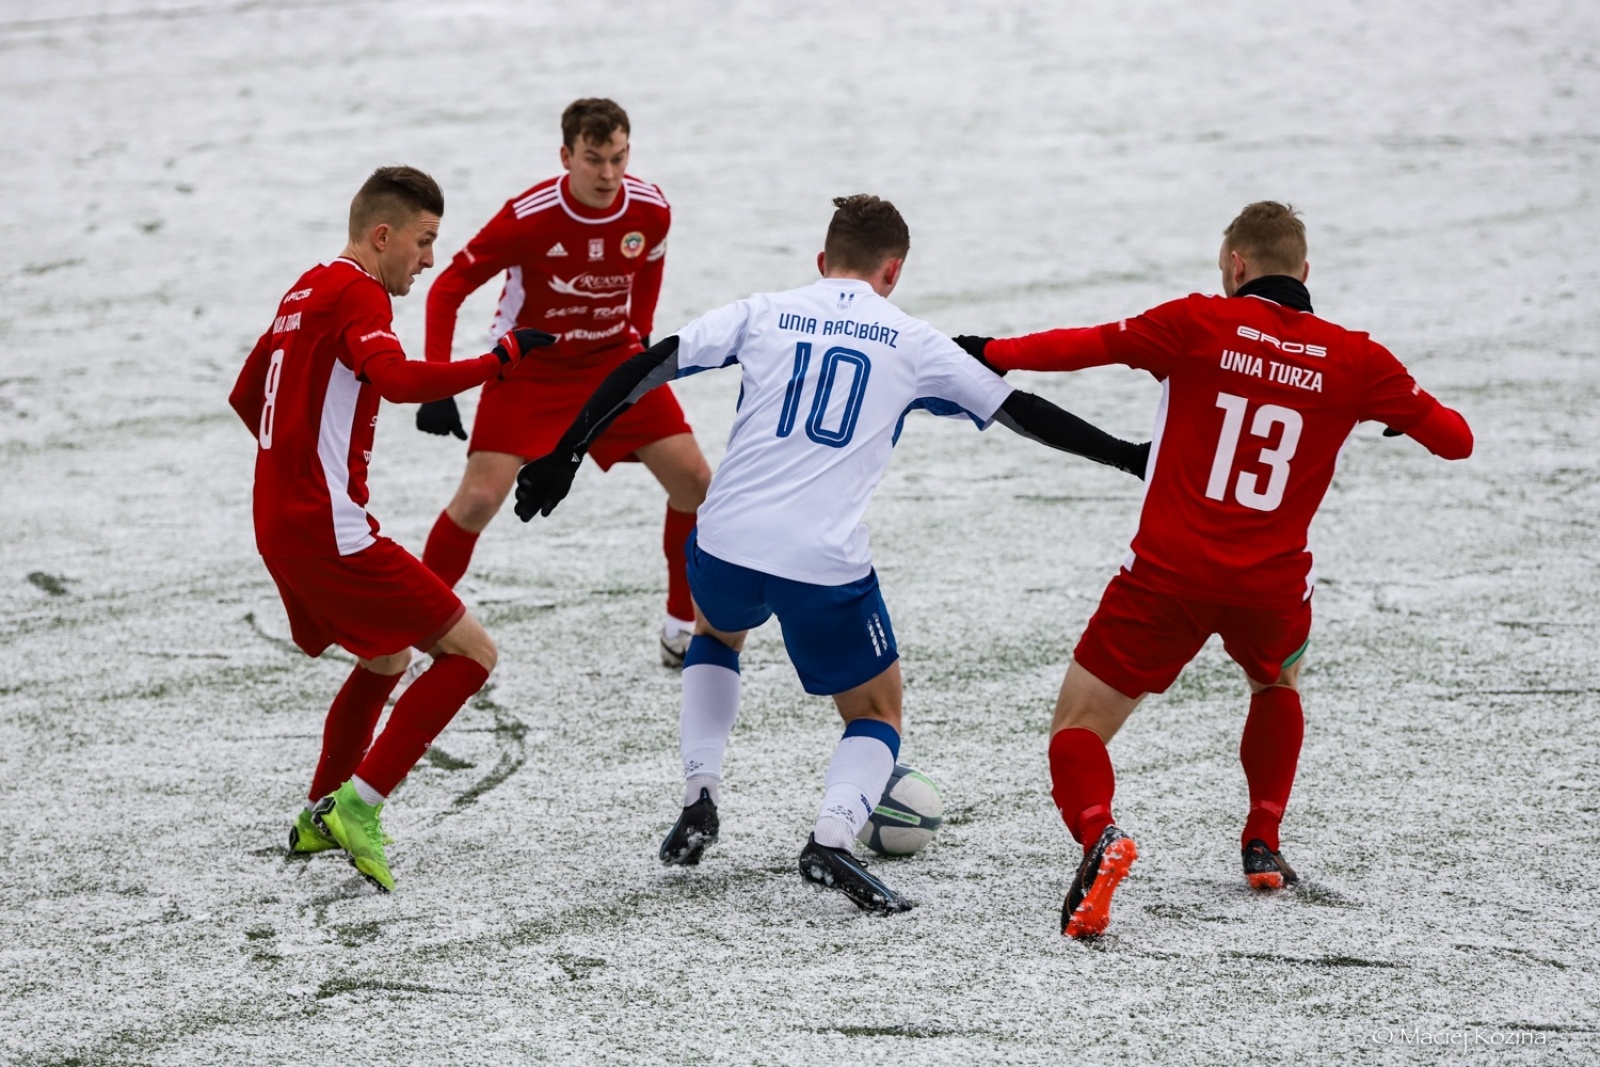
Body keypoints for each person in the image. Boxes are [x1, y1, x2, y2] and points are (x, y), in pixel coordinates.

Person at [514, 195, 1150, 914]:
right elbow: (1021, 411)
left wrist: (566, 450)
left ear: (822, 262)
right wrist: (1128, 456)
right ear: (893, 271)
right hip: (821, 558)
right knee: (877, 709)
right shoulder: (912, 339)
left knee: (716, 634)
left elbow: (651, 363)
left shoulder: (764, 310)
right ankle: (832, 837)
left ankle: (699, 796)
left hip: (724, 536)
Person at [953, 201, 1474, 939]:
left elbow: (1086, 346)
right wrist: (1396, 411)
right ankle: (1262, 839)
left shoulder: (1197, 322)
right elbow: (1456, 440)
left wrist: (992, 349)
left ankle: (1101, 833)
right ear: (1304, 270)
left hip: (1166, 576)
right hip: (1270, 587)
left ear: (1235, 265)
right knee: (1275, 681)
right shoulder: (1360, 360)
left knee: (1079, 727)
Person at [228, 165, 554, 893]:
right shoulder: (358, 291)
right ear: (384, 235)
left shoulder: (304, 287)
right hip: (327, 526)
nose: (429, 260)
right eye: (424, 241)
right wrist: (495, 361)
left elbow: (249, 395)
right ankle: (360, 803)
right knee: (472, 652)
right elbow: (399, 381)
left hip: (280, 520)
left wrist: (296, 467)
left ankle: (322, 809)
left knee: (386, 656)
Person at [416, 97, 711, 667]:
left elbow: (650, 262)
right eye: (594, 159)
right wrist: (437, 384)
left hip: (611, 362)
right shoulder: (527, 217)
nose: (608, 175)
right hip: (531, 369)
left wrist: (641, 336)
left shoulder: (650, 209)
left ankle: (681, 627)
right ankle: (413, 632)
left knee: (696, 481)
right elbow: (447, 287)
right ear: (566, 156)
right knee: (478, 500)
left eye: (619, 159)